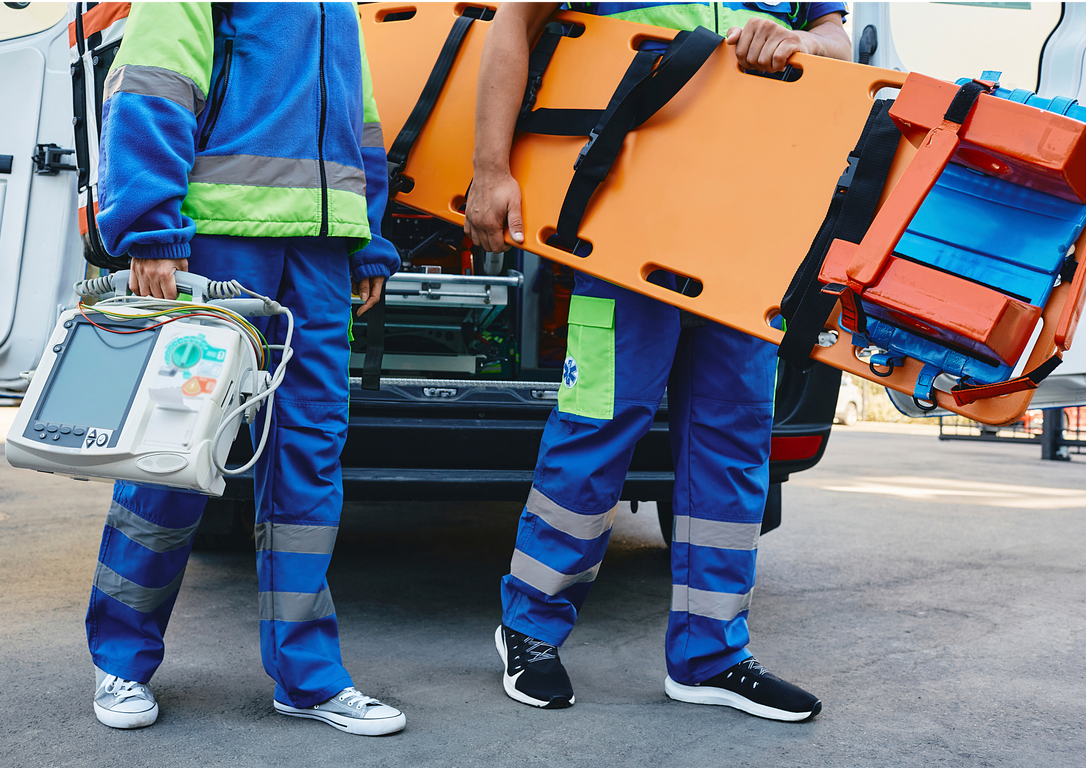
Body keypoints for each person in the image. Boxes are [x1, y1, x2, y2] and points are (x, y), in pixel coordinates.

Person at [465, 0, 850, 721]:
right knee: (600, 421)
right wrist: (490, 167)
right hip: (622, 226)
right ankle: (530, 628)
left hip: (747, 232)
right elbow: (514, 21)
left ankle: (711, 656)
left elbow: (837, 39)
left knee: (735, 441)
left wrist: (803, 41)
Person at [86, 1, 405, 735]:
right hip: (221, 242)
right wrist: (151, 230)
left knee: (309, 461)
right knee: (172, 454)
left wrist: (368, 237)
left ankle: (309, 677)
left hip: (319, 253)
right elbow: (155, 77)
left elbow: (358, 113)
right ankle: (121, 660)